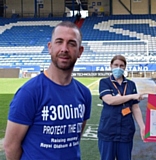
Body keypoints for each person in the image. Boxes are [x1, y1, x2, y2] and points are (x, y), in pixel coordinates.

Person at [3, 21, 92, 160]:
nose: (64, 49)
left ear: (80, 51)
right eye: (59, 42)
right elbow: (10, 146)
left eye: (72, 43)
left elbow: (75, 137)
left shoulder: (84, 93)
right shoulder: (29, 93)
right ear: (50, 47)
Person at [98, 55, 145, 160]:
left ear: (125, 67)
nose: (118, 68)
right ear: (111, 66)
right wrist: (132, 96)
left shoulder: (131, 84)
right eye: (116, 65)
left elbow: (135, 107)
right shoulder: (104, 82)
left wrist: (142, 126)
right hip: (108, 130)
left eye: (121, 65)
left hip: (126, 131)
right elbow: (110, 100)